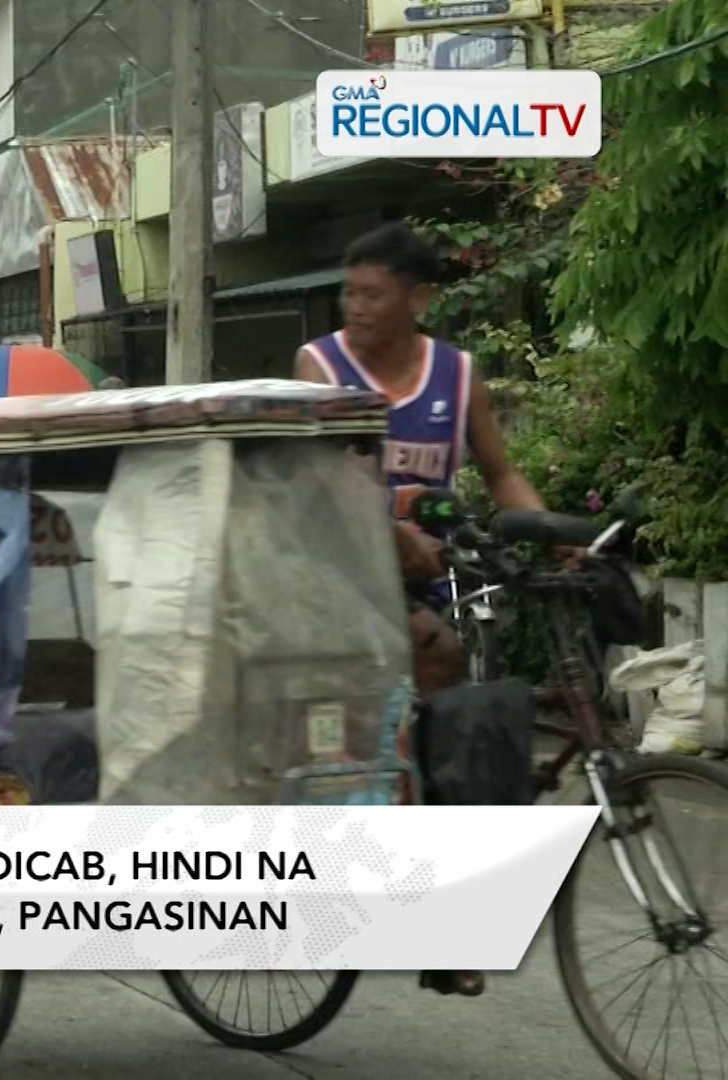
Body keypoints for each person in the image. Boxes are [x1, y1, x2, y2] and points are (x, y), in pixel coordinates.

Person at [293, 221, 549, 1000]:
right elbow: (307, 483)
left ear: (418, 298)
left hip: (426, 586)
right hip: (330, 579)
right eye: (349, 293)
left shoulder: (457, 375)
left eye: (373, 294)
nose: (356, 307)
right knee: (426, 664)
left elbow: (502, 475)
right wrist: (385, 531)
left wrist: (552, 535)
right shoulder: (320, 366)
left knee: (455, 733)